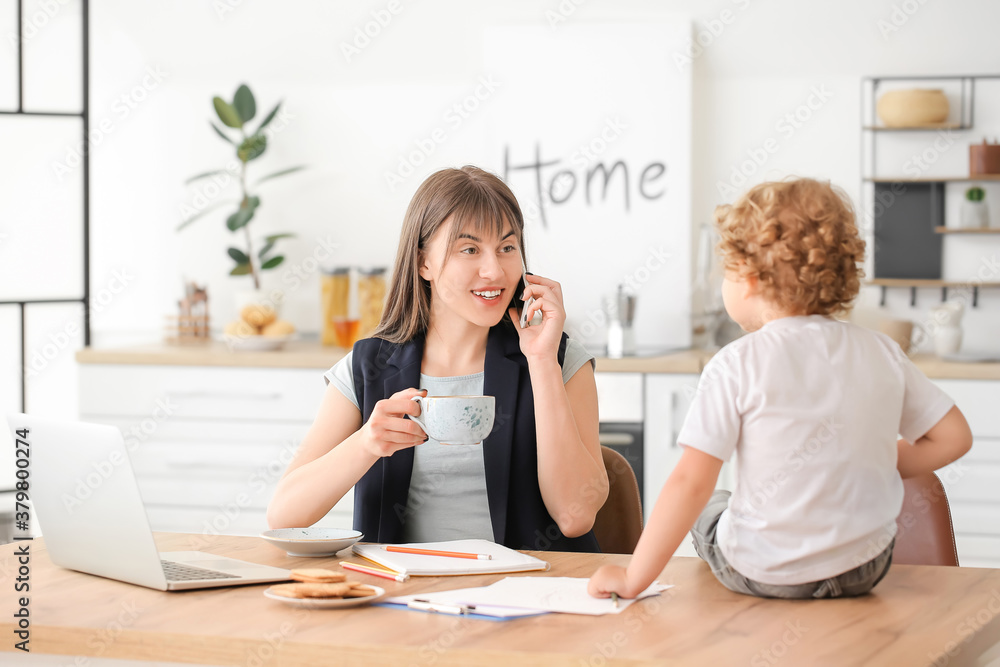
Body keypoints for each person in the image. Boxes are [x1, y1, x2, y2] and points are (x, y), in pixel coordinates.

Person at [589, 178, 973, 600]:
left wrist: (631, 579)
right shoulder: (881, 351)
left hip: (765, 572)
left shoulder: (735, 364)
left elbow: (688, 484)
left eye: (727, 273)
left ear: (749, 279)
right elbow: (955, 437)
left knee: (715, 502)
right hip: (866, 567)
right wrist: (873, 460)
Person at [267, 166, 608, 552]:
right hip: (405, 599)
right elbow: (284, 516)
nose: (494, 270)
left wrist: (542, 360)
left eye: (507, 248)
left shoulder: (559, 359)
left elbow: (575, 517)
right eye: (469, 249)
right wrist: (366, 444)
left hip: (532, 597)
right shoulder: (369, 366)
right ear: (423, 262)